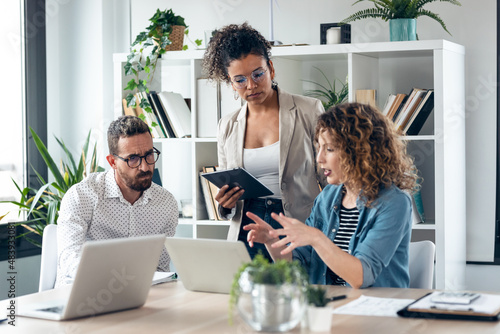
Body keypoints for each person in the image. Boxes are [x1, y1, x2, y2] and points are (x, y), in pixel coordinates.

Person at [245, 103, 419, 288]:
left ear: (359, 151)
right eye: (319, 148)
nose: (319, 158)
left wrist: (317, 238)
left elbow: (362, 276)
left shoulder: (394, 203)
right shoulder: (328, 196)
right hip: (332, 305)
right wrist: (272, 241)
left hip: (374, 309)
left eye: (329, 149)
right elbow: (299, 265)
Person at [202, 22, 326, 260]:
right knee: (247, 295)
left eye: (258, 74)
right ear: (230, 82)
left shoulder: (308, 110)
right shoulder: (227, 125)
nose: (251, 85)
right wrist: (226, 205)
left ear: (271, 68)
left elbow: (329, 178)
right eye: (240, 80)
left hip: (297, 225)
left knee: (296, 292)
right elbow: (228, 190)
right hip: (247, 227)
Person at [55, 115, 178, 287]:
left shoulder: (166, 203)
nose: (145, 167)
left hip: (138, 297)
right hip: (82, 294)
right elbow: (70, 259)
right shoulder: (82, 196)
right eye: (133, 159)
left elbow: (160, 269)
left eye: (149, 155)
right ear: (112, 162)